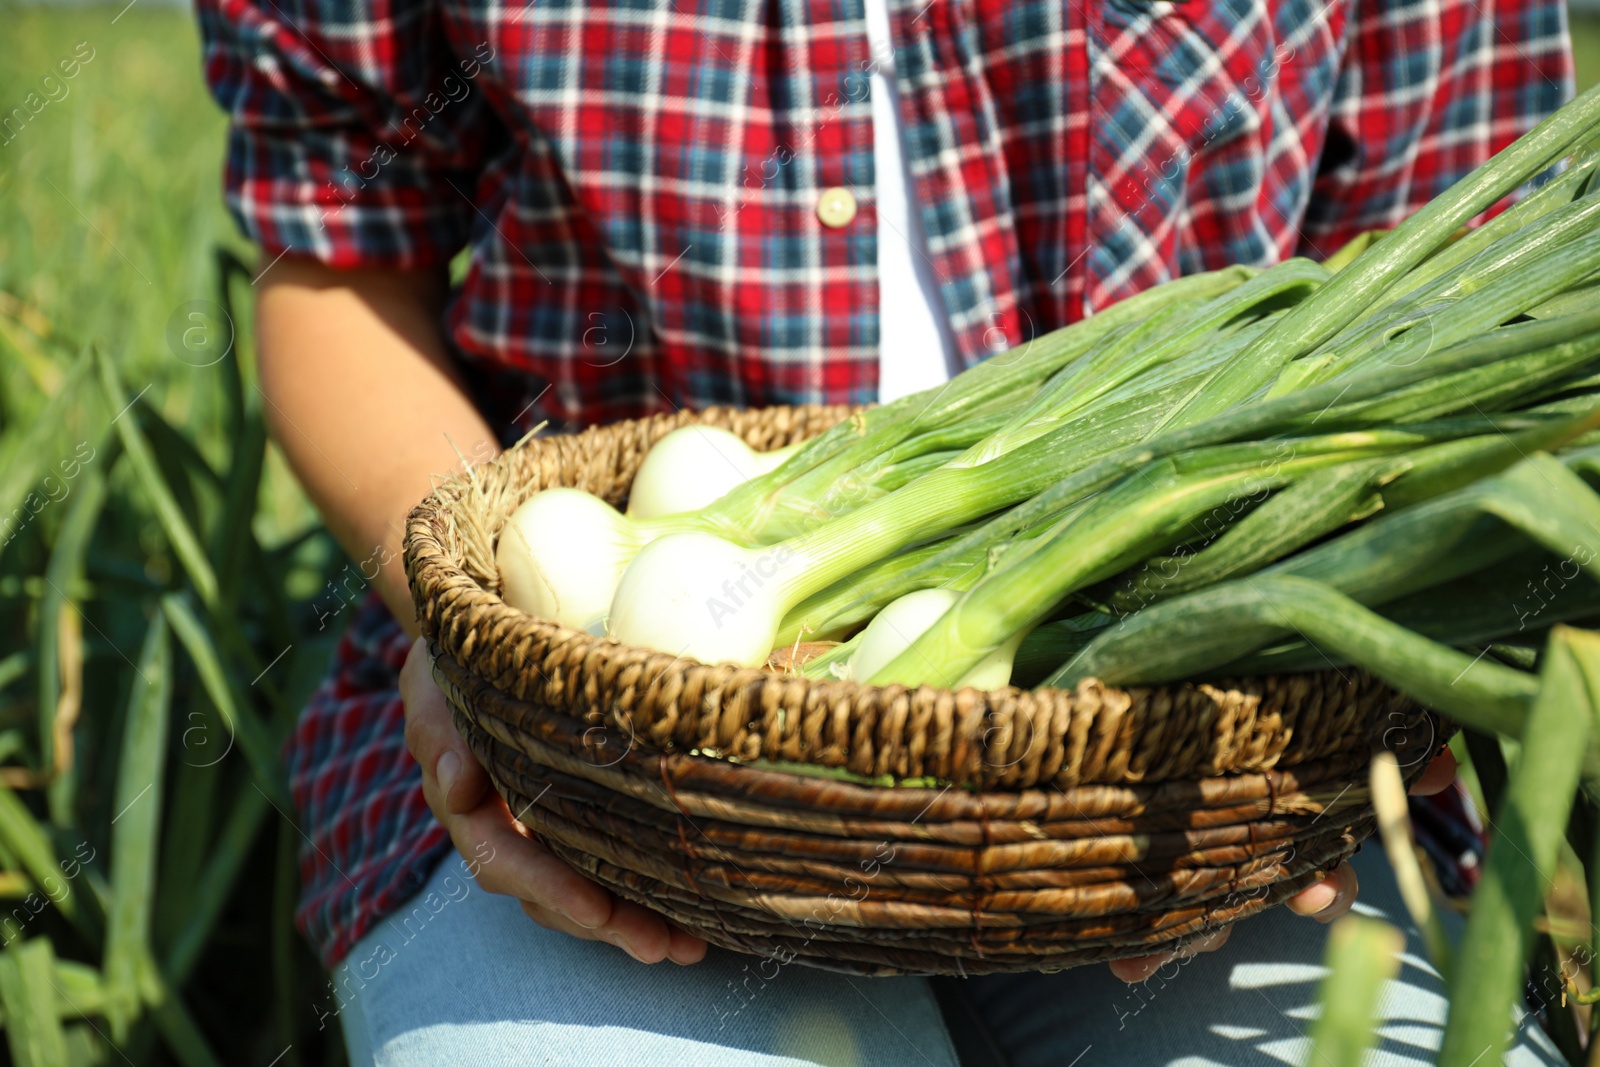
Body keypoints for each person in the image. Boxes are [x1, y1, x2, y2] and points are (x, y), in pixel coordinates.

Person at [197, 0, 1574, 1060]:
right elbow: (334, 253)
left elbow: (1462, 302)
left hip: (1178, 764)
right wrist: (469, 615)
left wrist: (1320, 732)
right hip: (593, 778)